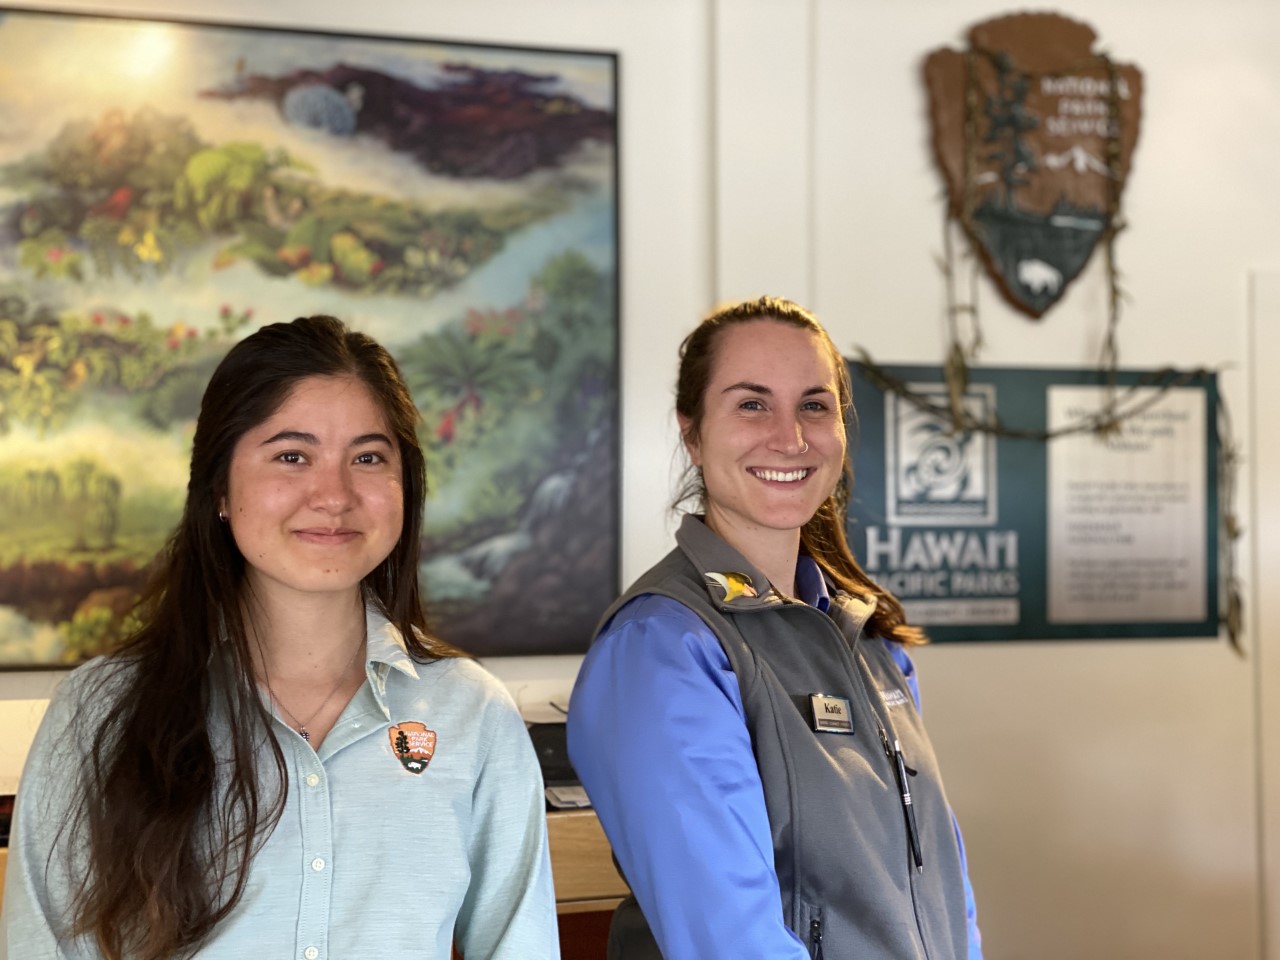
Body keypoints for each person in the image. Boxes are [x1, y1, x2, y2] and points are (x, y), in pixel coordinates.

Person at [1, 316, 559, 960]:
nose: (334, 495)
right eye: (292, 456)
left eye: (369, 457)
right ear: (218, 488)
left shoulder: (472, 715)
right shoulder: (99, 711)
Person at [567, 296, 982, 960]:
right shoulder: (661, 649)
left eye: (814, 405)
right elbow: (729, 939)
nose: (790, 438)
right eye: (752, 404)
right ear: (692, 435)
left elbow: (943, 884)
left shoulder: (868, 639)